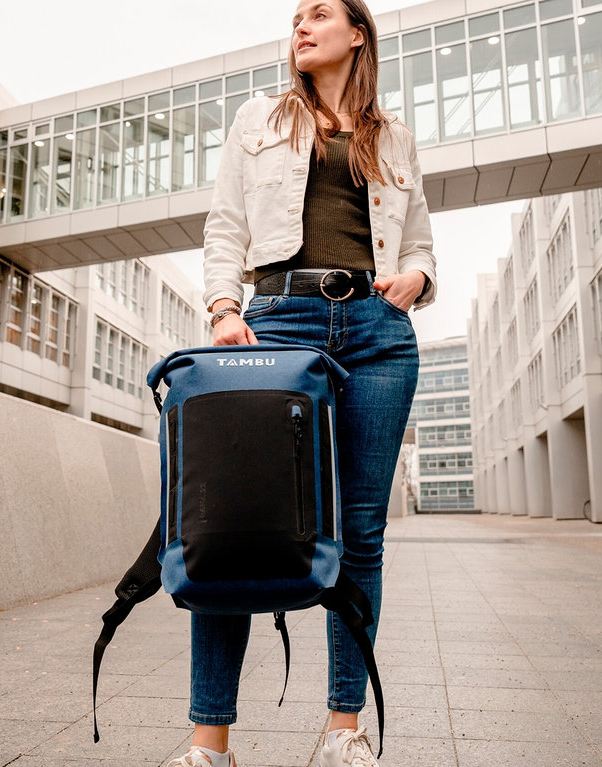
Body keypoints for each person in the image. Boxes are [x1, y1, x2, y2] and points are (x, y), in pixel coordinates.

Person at [168, 1, 436, 765]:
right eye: (295, 18)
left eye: (320, 13)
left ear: (358, 33)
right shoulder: (259, 118)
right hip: (278, 323)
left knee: (361, 533)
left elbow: (418, 243)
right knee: (235, 525)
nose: (302, 25)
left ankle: (344, 728)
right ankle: (209, 739)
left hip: (379, 334)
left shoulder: (397, 139)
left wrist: (417, 276)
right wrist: (224, 305)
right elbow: (225, 225)